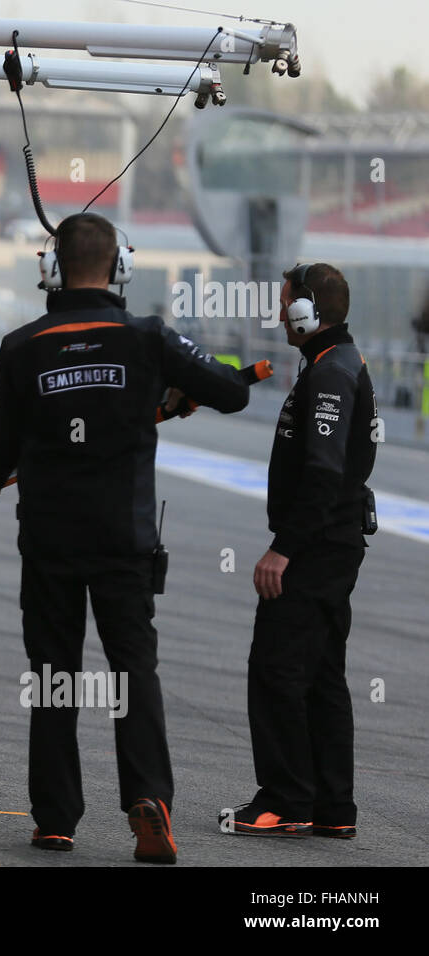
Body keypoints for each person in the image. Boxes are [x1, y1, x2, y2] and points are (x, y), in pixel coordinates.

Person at [0, 212, 250, 864]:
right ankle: (148, 798)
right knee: (133, 672)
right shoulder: (147, 338)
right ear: (120, 269)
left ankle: (56, 819)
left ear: (52, 269)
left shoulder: (23, 345)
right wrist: (178, 386)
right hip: (124, 540)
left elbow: (1, 442)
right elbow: (231, 392)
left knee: (54, 675)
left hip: (49, 540)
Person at [228, 264, 377, 839]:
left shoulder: (332, 373)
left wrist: (283, 550)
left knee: (277, 668)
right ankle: (333, 808)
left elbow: (323, 471)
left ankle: (286, 799)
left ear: (308, 311)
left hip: (316, 548)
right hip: (332, 543)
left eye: (285, 303)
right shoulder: (330, 363)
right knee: (320, 676)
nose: (278, 314)